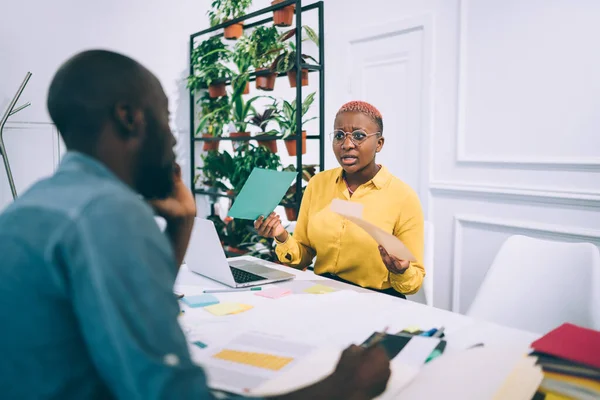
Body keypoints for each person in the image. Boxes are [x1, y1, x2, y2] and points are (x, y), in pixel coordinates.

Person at [0, 50, 390, 399]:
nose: (173, 139)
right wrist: (342, 389)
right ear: (130, 117)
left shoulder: (32, 206)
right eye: (166, 118)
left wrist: (182, 223)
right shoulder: (107, 215)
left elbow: (132, 306)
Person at [255, 101, 425, 298]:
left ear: (379, 144)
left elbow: (414, 283)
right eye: (339, 136)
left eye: (359, 136)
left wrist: (401, 270)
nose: (347, 144)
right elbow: (302, 257)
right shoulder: (318, 184)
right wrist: (281, 235)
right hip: (323, 292)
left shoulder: (403, 197)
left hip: (376, 299)